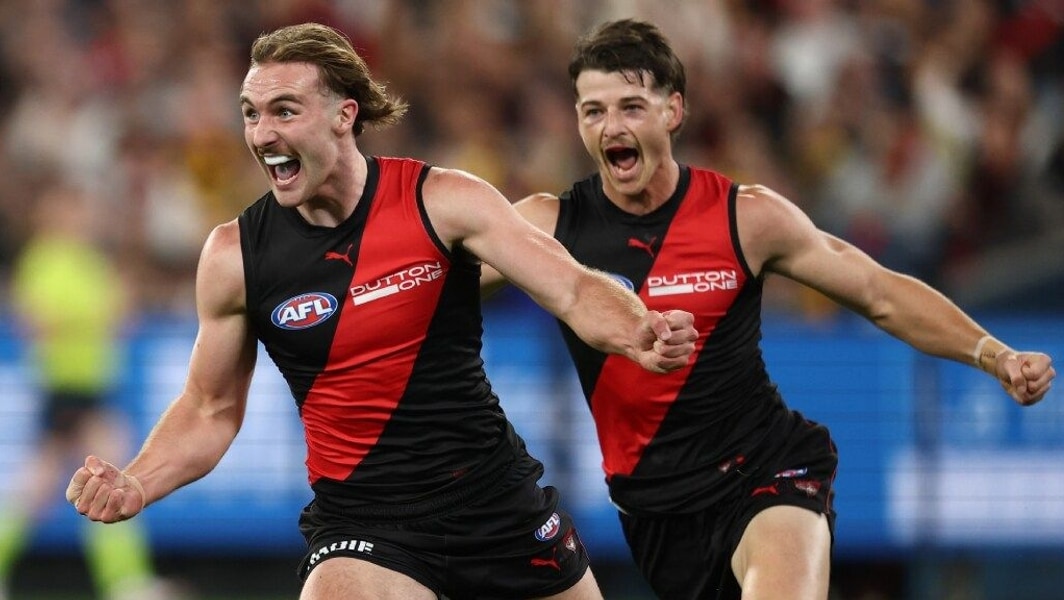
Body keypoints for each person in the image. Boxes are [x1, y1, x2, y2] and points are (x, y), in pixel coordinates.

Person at [64, 22, 699, 600]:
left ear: (345, 115)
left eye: (285, 110)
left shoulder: (442, 201)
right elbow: (210, 409)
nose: (262, 134)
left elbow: (572, 289)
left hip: (495, 504)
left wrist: (638, 330)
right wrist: (137, 481)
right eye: (251, 114)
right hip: (364, 523)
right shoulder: (236, 256)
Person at [481, 18, 1056, 600]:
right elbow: (440, 270)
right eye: (593, 111)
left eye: (631, 107)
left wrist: (994, 355)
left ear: (673, 111)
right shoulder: (546, 226)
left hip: (766, 468)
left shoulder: (744, 216)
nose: (611, 127)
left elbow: (878, 292)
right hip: (656, 516)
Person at [1, 182, 179, 600]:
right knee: (105, 479)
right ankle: (127, 582)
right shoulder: (45, 259)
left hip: (94, 386)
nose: (81, 218)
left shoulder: (91, 262)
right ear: (51, 215)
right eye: (71, 210)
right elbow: (34, 320)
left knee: (48, 486)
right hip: (65, 387)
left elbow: (120, 316)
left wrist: (117, 305)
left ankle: (127, 581)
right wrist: (92, 317)